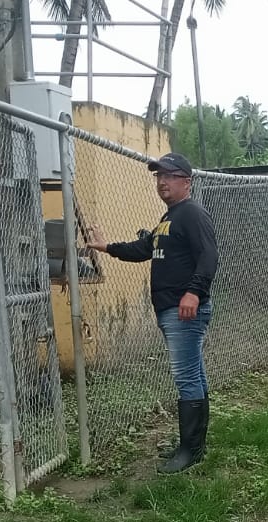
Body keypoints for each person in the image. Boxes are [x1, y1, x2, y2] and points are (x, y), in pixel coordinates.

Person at [87, 152, 218, 473]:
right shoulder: (169, 218)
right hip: (172, 308)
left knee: (187, 377)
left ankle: (189, 451)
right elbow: (143, 249)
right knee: (194, 375)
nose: (162, 182)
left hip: (183, 308)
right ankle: (194, 447)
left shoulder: (192, 214)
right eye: (159, 176)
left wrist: (193, 292)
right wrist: (108, 247)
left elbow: (209, 256)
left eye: (169, 176)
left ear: (186, 182)